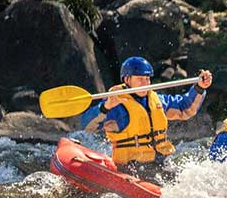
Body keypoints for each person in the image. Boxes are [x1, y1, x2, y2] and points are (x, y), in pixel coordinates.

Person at [82, 56, 213, 183]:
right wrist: (105, 107)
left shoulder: (157, 100)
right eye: (140, 79)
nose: (145, 83)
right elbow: (87, 126)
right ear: (127, 80)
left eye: (147, 79)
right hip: (132, 169)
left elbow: (185, 109)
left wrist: (199, 88)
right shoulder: (116, 105)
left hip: (161, 163)